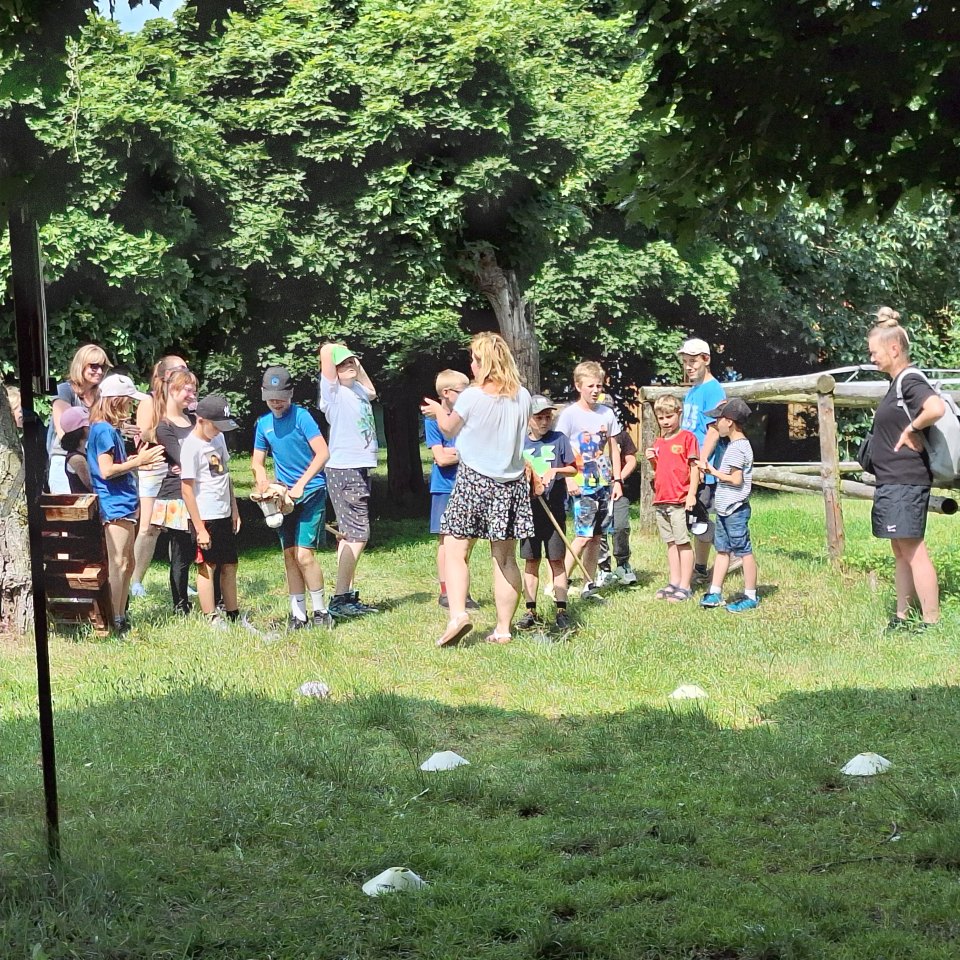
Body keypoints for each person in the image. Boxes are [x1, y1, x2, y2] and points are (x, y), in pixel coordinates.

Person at [420, 331, 534, 646]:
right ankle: (503, 629)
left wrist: (437, 411)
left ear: (484, 362)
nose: (471, 364)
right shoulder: (523, 396)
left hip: (474, 480)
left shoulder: (472, 396)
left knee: (456, 549)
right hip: (511, 483)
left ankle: (458, 615)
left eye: (473, 359)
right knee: (505, 558)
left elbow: (448, 429)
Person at [866, 308, 944, 628]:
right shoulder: (896, 383)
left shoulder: (910, 380)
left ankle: (931, 621)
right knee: (900, 550)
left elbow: (935, 407)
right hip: (892, 480)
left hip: (906, 480)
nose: (872, 358)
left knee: (913, 550)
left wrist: (912, 429)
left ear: (894, 349)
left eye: (874, 352)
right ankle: (902, 616)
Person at [252, 365, 334, 630]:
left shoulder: (302, 417)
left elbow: (323, 453)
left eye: (280, 397)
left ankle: (321, 611)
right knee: (289, 555)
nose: (276, 402)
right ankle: (298, 615)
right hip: (282, 499)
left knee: (304, 556)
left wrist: (300, 485)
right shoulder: (264, 424)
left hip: (311, 493)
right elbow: (257, 462)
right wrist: (264, 485)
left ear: (291, 393)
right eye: (270, 397)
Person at [86, 374, 165, 634]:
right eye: (128, 402)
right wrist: (139, 461)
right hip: (114, 503)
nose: (131, 407)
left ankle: (120, 615)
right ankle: (114, 619)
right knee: (119, 563)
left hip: (123, 502)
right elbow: (106, 470)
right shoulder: (103, 430)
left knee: (128, 562)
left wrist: (131, 457)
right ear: (116, 401)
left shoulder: (107, 429)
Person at [180, 394, 257, 631]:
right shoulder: (191, 446)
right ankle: (211, 616)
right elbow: (186, 490)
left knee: (230, 564)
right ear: (201, 420)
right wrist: (200, 528)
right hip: (204, 516)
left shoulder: (219, 438)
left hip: (224, 512)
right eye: (215, 425)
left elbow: (226, 476)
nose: (219, 430)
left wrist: (234, 509)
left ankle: (233, 613)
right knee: (207, 566)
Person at [317, 342, 380, 617]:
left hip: (357, 467)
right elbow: (325, 354)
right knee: (358, 534)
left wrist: (354, 360)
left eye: (351, 362)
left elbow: (372, 390)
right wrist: (335, 348)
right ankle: (340, 598)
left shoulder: (358, 390)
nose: (349, 366)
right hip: (346, 469)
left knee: (347, 535)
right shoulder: (333, 394)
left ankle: (347, 594)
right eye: (342, 364)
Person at [555, 361, 623, 598]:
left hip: (603, 483)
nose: (595, 391)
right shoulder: (570, 415)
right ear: (578, 386)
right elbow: (560, 449)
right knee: (583, 535)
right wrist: (568, 479)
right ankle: (559, 581)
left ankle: (589, 584)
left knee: (596, 536)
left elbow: (614, 448)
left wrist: (617, 480)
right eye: (590, 386)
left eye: (599, 386)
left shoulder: (607, 414)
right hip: (580, 483)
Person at [130, 355, 190, 598]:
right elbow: (144, 433)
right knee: (148, 527)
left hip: (175, 470)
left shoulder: (185, 402)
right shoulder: (150, 401)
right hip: (153, 468)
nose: (186, 372)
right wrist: (170, 434)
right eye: (181, 368)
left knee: (179, 527)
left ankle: (180, 578)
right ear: (166, 375)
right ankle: (135, 581)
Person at [517, 396, 576, 631]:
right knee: (531, 560)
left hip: (554, 509)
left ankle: (561, 609)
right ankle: (530, 610)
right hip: (529, 512)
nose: (544, 422)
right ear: (528, 419)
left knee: (556, 559)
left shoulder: (559, 439)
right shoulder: (519, 443)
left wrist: (555, 471)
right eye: (539, 417)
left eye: (548, 417)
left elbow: (572, 468)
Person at [424, 369, 479, 610]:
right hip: (445, 487)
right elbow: (441, 458)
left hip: (467, 485)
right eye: (463, 391)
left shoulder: (465, 417)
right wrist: (465, 453)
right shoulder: (432, 420)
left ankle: (461, 588)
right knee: (446, 540)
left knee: (466, 540)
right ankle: (446, 591)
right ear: (446, 393)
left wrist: (457, 453)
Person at [699, 398, 760, 612]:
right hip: (725, 509)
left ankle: (750, 595)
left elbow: (736, 479)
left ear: (730, 422)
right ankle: (715, 592)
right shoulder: (735, 446)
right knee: (722, 550)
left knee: (744, 552)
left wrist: (713, 472)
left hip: (735, 510)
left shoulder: (737, 449)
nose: (716, 424)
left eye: (719, 420)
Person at [677, 337, 728, 585]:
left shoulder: (713, 390)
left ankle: (726, 551)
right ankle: (702, 565)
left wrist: (702, 459)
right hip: (688, 465)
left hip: (702, 467)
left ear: (706, 360)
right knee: (695, 518)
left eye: (693, 361)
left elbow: (714, 429)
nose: (688, 366)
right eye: (686, 362)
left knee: (699, 517)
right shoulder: (692, 391)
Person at [152, 368, 199, 615]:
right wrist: (190, 462)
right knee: (181, 552)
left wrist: (192, 463)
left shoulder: (195, 420)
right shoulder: (164, 426)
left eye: (194, 390)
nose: (192, 395)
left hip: (199, 491)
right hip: (175, 495)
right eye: (188, 390)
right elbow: (183, 458)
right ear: (173, 389)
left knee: (201, 547)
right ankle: (180, 604)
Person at [645, 395, 700, 602]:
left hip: (679, 499)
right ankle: (674, 581)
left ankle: (685, 585)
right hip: (661, 499)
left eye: (669, 416)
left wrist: (691, 494)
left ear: (679, 414)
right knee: (670, 543)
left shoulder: (687, 438)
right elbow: (660, 469)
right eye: (661, 418)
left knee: (683, 542)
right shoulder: (659, 442)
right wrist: (653, 461)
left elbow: (694, 468)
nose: (665, 421)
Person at [49, 344, 111, 494]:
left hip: (92, 459)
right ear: (81, 366)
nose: (100, 371)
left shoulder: (101, 395)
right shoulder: (64, 390)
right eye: (94, 366)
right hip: (65, 459)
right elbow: (65, 431)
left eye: (103, 367)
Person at [597, 423, 639, 586]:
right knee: (599, 529)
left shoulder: (621, 435)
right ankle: (603, 568)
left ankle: (623, 564)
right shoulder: (588, 435)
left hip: (619, 490)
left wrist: (618, 480)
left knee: (621, 526)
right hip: (595, 489)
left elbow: (631, 460)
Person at [60, 406, 92, 493]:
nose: (91, 428)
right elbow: (91, 484)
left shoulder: (85, 451)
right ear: (81, 430)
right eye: (88, 426)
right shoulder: (77, 459)